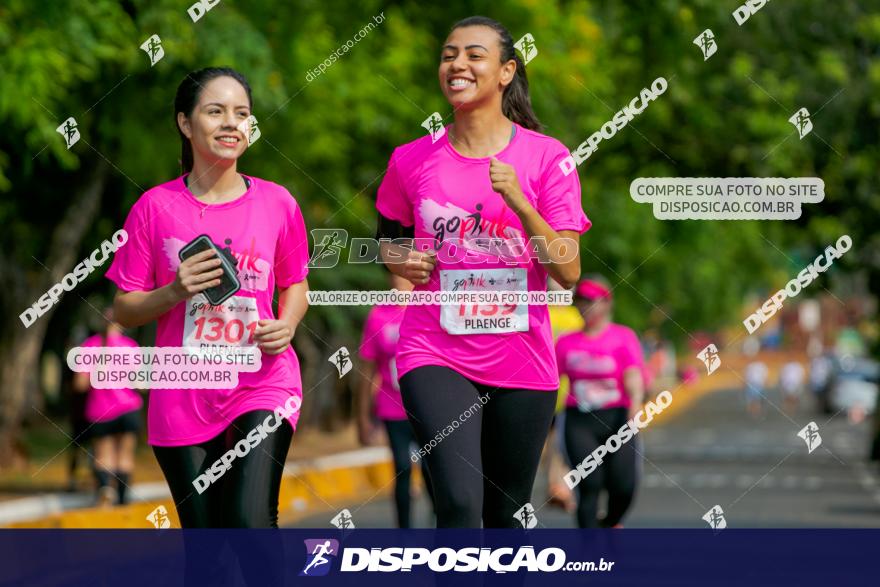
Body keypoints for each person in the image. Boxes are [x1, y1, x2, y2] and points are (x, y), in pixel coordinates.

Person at [375, 16, 590, 527]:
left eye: (474, 54)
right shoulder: (410, 160)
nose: (457, 64)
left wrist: (519, 200)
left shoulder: (547, 158)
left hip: (522, 357)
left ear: (505, 72)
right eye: (449, 54)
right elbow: (386, 241)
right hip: (434, 349)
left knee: (505, 516)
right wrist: (397, 259)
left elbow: (569, 270)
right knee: (458, 503)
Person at [105, 67, 310, 528]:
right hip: (183, 390)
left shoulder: (278, 203)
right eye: (215, 112)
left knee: (250, 521)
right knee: (208, 555)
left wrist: (289, 323)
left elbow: (295, 282)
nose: (231, 124)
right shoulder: (154, 208)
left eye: (241, 114)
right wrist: (175, 289)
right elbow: (123, 307)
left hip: (263, 380)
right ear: (185, 123)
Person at [556, 276, 645, 528]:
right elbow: (550, 378)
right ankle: (590, 551)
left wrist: (635, 404)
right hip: (579, 421)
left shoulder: (622, 337)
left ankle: (608, 525)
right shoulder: (566, 342)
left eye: (590, 302)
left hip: (618, 419)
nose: (585, 307)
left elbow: (633, 375)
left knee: (623, 487)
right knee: (589, 484)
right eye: (580, 302)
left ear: (606, 303)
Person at [357, 273, 434, 528]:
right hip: (392, 407)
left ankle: (443, 525)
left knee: (431, 469)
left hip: (426, 408)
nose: (400, 279)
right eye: (395, 274)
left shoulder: (430, 308)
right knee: (402, 467)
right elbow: (367, 372)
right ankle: (404, 533)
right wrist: (363, 419)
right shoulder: (378, 316)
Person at [72, 308, 142, 505]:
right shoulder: (131, 346)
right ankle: (122, 499)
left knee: (103, 455)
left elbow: (80, 385)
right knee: (125, 455)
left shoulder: (90, 346)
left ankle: (105, 489)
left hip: (101, 411)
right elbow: (140, 383)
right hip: (128, 408)